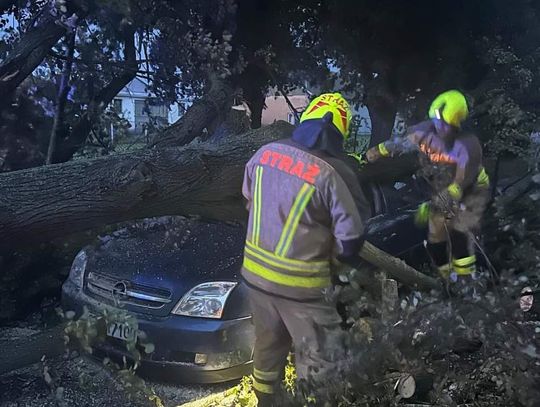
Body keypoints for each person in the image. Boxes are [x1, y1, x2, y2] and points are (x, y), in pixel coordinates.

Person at [240, 93, 369, 406]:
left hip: (255, 279)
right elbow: (351, 240)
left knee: (268, 350)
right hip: (304, 288)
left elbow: (249, 201)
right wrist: (339, 268)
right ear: (341, 131)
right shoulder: (334, 173)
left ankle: (266, 402)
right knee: (320, 365)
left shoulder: (264, 154)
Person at [366, 90, 490, 282]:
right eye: (435, 121)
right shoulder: (423, 131)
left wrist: (435, 205)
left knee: (459, 230)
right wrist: (376, 151)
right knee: (435, 233)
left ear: (457, 123)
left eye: (444, 124)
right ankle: (447, 276)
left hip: (471, 189)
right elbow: (400, 143)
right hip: (441, 185)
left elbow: (459, 185)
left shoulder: (468, 145)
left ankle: (467, 280)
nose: (438, 128)